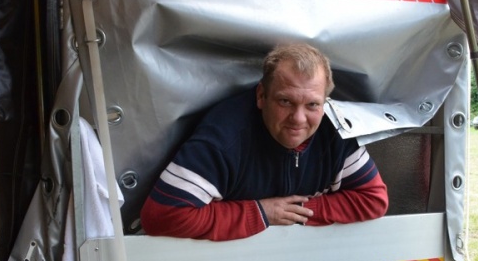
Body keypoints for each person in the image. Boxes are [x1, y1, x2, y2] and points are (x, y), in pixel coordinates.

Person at [140, 43, 388, 241]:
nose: (298, 118)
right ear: (261, 96)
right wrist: (260, 213)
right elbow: (162, 216)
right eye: (285, 102)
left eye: (312, 104)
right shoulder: (224, 139)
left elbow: (373, 199)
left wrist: (297, 211)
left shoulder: (335, 132)